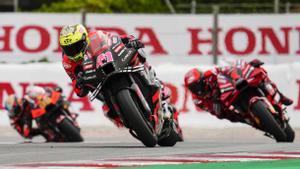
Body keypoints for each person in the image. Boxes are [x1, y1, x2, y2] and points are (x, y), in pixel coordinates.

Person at [58, 24, 182, 139]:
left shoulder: (96, 36)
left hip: (113, 64)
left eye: (76, 45)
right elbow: (76, 84)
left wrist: (130, 40)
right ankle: (127, 119)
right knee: (107, 110)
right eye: (68, 48)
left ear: (85, 39)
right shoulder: (67, 62)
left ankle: (155, 84)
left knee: (138, 55)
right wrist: (79, 83)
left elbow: (115, 39)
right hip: (97, 80)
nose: (73, 50)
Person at [184, 59, 293, 122]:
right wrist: (215, 107)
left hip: (232, 88)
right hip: (225, 102)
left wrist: (237, 78)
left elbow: (228, 70)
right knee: (229, 117)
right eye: (192, 87)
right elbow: (213, 112)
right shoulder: (197, 100)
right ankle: (250, 120)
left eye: (196, 85)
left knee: (260, 73)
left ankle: (280, 96)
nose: (196, 89)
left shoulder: (211, 73)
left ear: (202, 79)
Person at [4, 86, 78, 142]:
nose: (14, 112)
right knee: (44, 131)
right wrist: (28, 130)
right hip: (38, 117)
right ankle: (53, 136)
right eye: (12, 111)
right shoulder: (14, 119)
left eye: (15, 109)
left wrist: (47, 92)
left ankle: (73, 115)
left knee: (61, 97)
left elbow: (40, 91)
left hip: (43, 107)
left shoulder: (26, 98)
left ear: (19, 103)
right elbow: (24, 133)